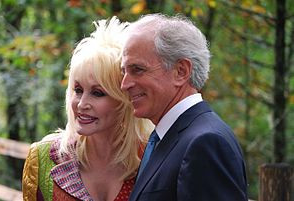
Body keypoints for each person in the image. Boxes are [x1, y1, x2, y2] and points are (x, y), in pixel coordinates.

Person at [22, 16, 153, 201]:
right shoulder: (43, 159)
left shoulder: (154, 159)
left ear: (124, 98)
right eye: (77, 90)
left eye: (98, 93)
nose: (82, 104)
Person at [120, 13, 248, 201]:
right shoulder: (165, 137)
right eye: (124, 71)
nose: (125, 84)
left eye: (137, 69)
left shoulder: (205, 143)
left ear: (181, 71)